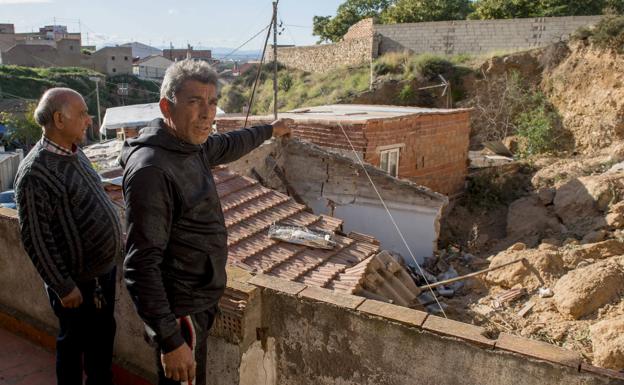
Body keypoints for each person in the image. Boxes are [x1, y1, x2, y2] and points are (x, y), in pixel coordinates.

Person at [120, 59, 292, 385]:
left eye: (212, 102)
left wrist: (271, 129)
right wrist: (170, 340)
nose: (207, 113)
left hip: (199, 301)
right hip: (179, 312)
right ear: (166, 106)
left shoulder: (190, 146)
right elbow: (140, 265)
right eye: (194, 101)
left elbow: (230, 143)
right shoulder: (153, 169)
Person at [14, 88, 122, 385]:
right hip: (76, 285)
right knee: (73, 345)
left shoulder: (75, 152)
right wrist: (63, 286)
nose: (90, 120)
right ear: (59, 119)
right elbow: (35, 238)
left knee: (101, 343)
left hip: (101, 276)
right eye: (83, 113)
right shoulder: (36, 173)